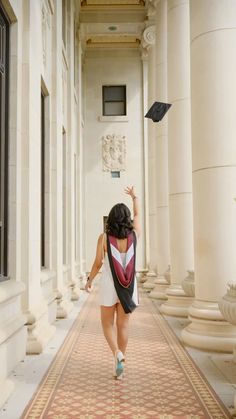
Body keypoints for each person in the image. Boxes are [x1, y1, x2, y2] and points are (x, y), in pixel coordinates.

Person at [85, 186, 140, 379]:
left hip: (109, 286)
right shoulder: (134, 236)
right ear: (127, 219)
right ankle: (121, 361)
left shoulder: (104, 239)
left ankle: (116, 354)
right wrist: (134, 198)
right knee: (123, 327)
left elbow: (97, 263)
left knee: (107, 324)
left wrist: (89, 280)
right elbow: (138, 214)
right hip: (129, 287)